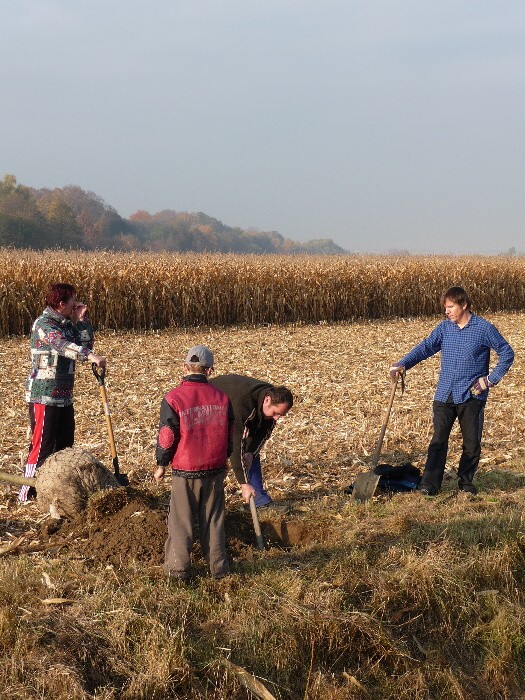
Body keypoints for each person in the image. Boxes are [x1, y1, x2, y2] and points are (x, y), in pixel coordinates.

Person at [389, 286, 514, 496]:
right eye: (445, 308)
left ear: (463, 305)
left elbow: (507, 353)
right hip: (445, 393)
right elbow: (426, 347)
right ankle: (429, 485)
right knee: (438, 441)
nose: (447, 311)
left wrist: (490, 380)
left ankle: (465, 483)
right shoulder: (444, 328)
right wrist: (403, 363)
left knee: (472, 444)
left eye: (450, 307)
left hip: (471, 395)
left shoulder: (484, 328)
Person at [154, 345, 250, 581]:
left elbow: (167, 435)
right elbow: (230, 435)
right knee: (214, 520)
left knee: (181, 522)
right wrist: (225, 456)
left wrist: (161, 464)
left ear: (185, 367)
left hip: (186, 470)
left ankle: (178, 571)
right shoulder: (222, 398)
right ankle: (219, 570)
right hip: (215, 468)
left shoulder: (173, 398)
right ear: (210, 370)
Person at [19, 283, 106, 503]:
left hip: (64, 395)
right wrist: (89, 357)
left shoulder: (68, 325)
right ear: (60, 303)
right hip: (43, 394)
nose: (75, 304)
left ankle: (55, 491)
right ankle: (27, 493)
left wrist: (82, 320)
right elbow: (61, 345)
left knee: (65, 445)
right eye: (72, 301)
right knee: (42, 446)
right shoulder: (44, 324)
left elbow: (85, 344)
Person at [210, 374, 293, 508]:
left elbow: (263, 434)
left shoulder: (272, 400)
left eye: (281, 415)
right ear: (267, 400)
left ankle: (258, 500)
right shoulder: (244, 405)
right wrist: (244, 484)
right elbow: (236, 445)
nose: (277, 418)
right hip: (211, 408)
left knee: (249, 455)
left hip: (234, 411)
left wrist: (251, 453)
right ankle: (209, 500)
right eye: (275, 413)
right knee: (220, 452)